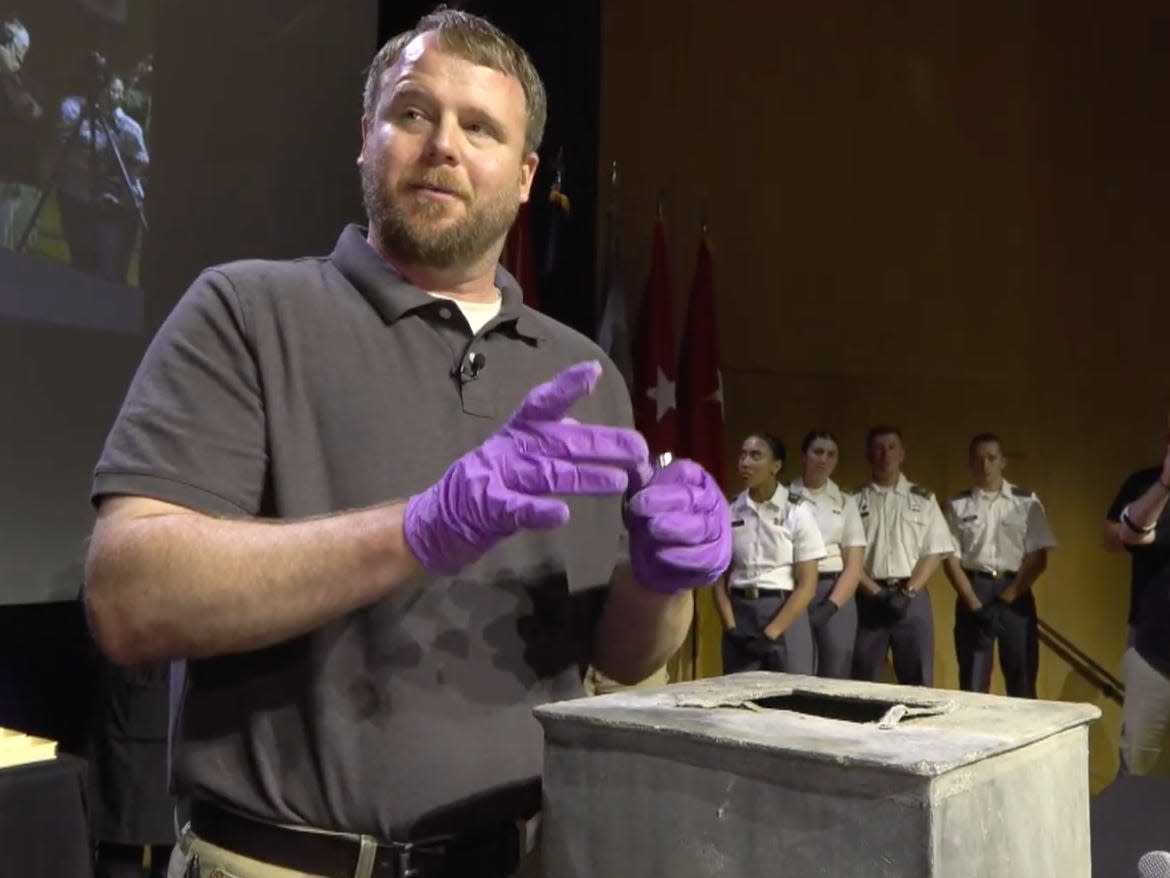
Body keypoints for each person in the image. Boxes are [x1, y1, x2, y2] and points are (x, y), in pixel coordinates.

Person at [83, 10, 730, 878]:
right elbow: (129, 598)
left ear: (526, 174)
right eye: (413, 114)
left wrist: (660, 585)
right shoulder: (247, 312)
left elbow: (619, 657)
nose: (443, 147)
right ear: (366, 138)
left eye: (481, 128)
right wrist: (417, 530)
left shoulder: (588, 376)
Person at [942, 433, 1056, 698]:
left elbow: (1038, 559)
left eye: (991, 458)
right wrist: (974, 604)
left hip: (1015, 591)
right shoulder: (957, 505)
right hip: (974, 590)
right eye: (978, 459)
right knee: (973, 683)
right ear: (970, 463)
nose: (985, 465)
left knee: (1022, 678)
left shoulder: (1026, 501)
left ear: (1003, 462)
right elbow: (950, 560)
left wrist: (1007, 599)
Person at [714, 433, 826, 675]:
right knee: (738, 703)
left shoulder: (797, 512)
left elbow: (807, 586)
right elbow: (719, 580)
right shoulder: (730, 511)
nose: (745, 462)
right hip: (740, 614)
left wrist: (770, 634)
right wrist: (731, 628)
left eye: (755, 456)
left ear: (776, 466)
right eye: (743, 455)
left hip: (783, 612)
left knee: (791, 702)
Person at [852, 426, 953, 686]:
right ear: (868, 455)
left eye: (892, 447)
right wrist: (875, 591)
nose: (885, 455)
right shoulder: (852, 501)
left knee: (918, 680)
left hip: (912, 598)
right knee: (865, 681)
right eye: (878, 449)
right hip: (869, 600)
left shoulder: (923, 499)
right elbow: (847, 557)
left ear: (902, 454)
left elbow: (934, 550)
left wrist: (908, 592)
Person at [1106, 437, 1170, 776]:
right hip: (1153, 646)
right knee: (1138, 761)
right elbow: (1124, 536)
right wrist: (1164, 486)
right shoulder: (1146, 485)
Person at [788, 430, 866, 679]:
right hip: (792, 588)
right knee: (796, 671)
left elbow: (853, 565)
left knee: (836, 673)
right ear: (804, 457)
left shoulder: (845, 501)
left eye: (831, 454)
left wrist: (831, 607)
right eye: (817, 452)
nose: (823, 459)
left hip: (834, 592)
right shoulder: (783, 496)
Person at [57, 73, 148, 282]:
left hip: (111, 207)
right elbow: (66, 142)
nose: (112, 95)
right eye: (109, 89)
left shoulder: (129, 129)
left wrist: (121, 190)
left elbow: (141, 166)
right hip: (75, 196)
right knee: (80, 263)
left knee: (108, 271)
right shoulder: (73, 109)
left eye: (118, 91)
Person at [0, 15, 43, 249]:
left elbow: (32, 112)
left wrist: (7, 73)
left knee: (13, 252)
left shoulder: (31, 81)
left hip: (20, 182)